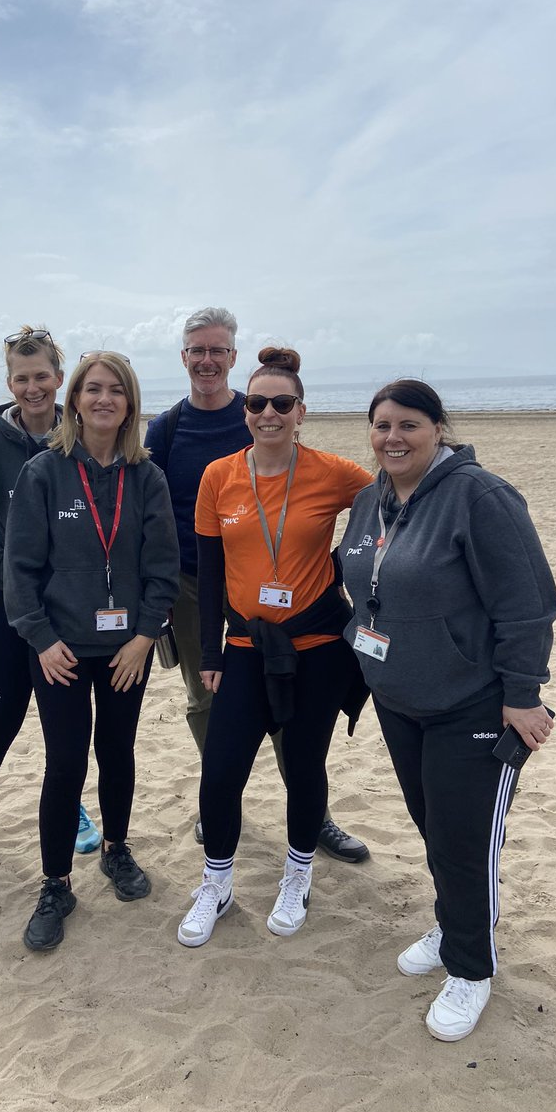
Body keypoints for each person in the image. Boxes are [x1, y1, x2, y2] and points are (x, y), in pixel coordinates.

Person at [339, 379, 556, 1041]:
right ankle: (457, 921)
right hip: (399, 700)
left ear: (439, 427)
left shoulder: (479, 497)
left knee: (464, 844)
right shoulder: (367, 500)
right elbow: (359, 585)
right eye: (381, 426)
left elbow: (528, 605)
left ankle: (471, 968)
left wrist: (522, 694)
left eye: (409, 424)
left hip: (473, 705)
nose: (393, 438)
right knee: (434, 827)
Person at [146, 307, 369, 863]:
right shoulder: (167, 428)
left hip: (288, 594)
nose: (206, 360)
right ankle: (219, 802)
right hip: (197, 584)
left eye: (216, 350)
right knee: (208, 701)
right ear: (183, 357)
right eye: (196, 350)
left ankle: (311, 812)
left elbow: (381, 503)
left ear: (233, 358)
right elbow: (146, 510)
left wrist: (338, 568)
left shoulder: (265, 421)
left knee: (289, 710)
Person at [176, 348, 373, 949]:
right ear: (245, 410)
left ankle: (297, 874)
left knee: (305, 764)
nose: (269, 413)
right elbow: (209, 573)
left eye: (281, 404)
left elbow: (393, 504)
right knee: (223, 767)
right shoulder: (219, 476)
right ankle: (217, 883)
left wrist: (346, 566)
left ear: (300, 412)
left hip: (317, 647)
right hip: (243, 645)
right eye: (258, 402)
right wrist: (209, 654)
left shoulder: (335, 473)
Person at [5, 351, 179, 951]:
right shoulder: (44, 473)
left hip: (126, 650)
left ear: (130, 403)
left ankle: (116, 849)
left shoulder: (147, 476)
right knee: (65, 763)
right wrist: (42, 639)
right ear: (74, 399)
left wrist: (144, 636)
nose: (104, 399)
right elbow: (19, 569)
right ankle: (56, 883)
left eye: (116, 391)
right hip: (60, 652)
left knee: (118, 751)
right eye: (92, 389)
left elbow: (162, 569)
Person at [0, 328, 102, 901]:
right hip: (12, 615)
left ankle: (68, 807)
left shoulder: (82, 442)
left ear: (60, 379)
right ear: (10, 384)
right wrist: (6, 567)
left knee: (66, 736)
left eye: (42, 376)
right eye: (21, 378)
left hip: (72, 620)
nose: (33, 387)